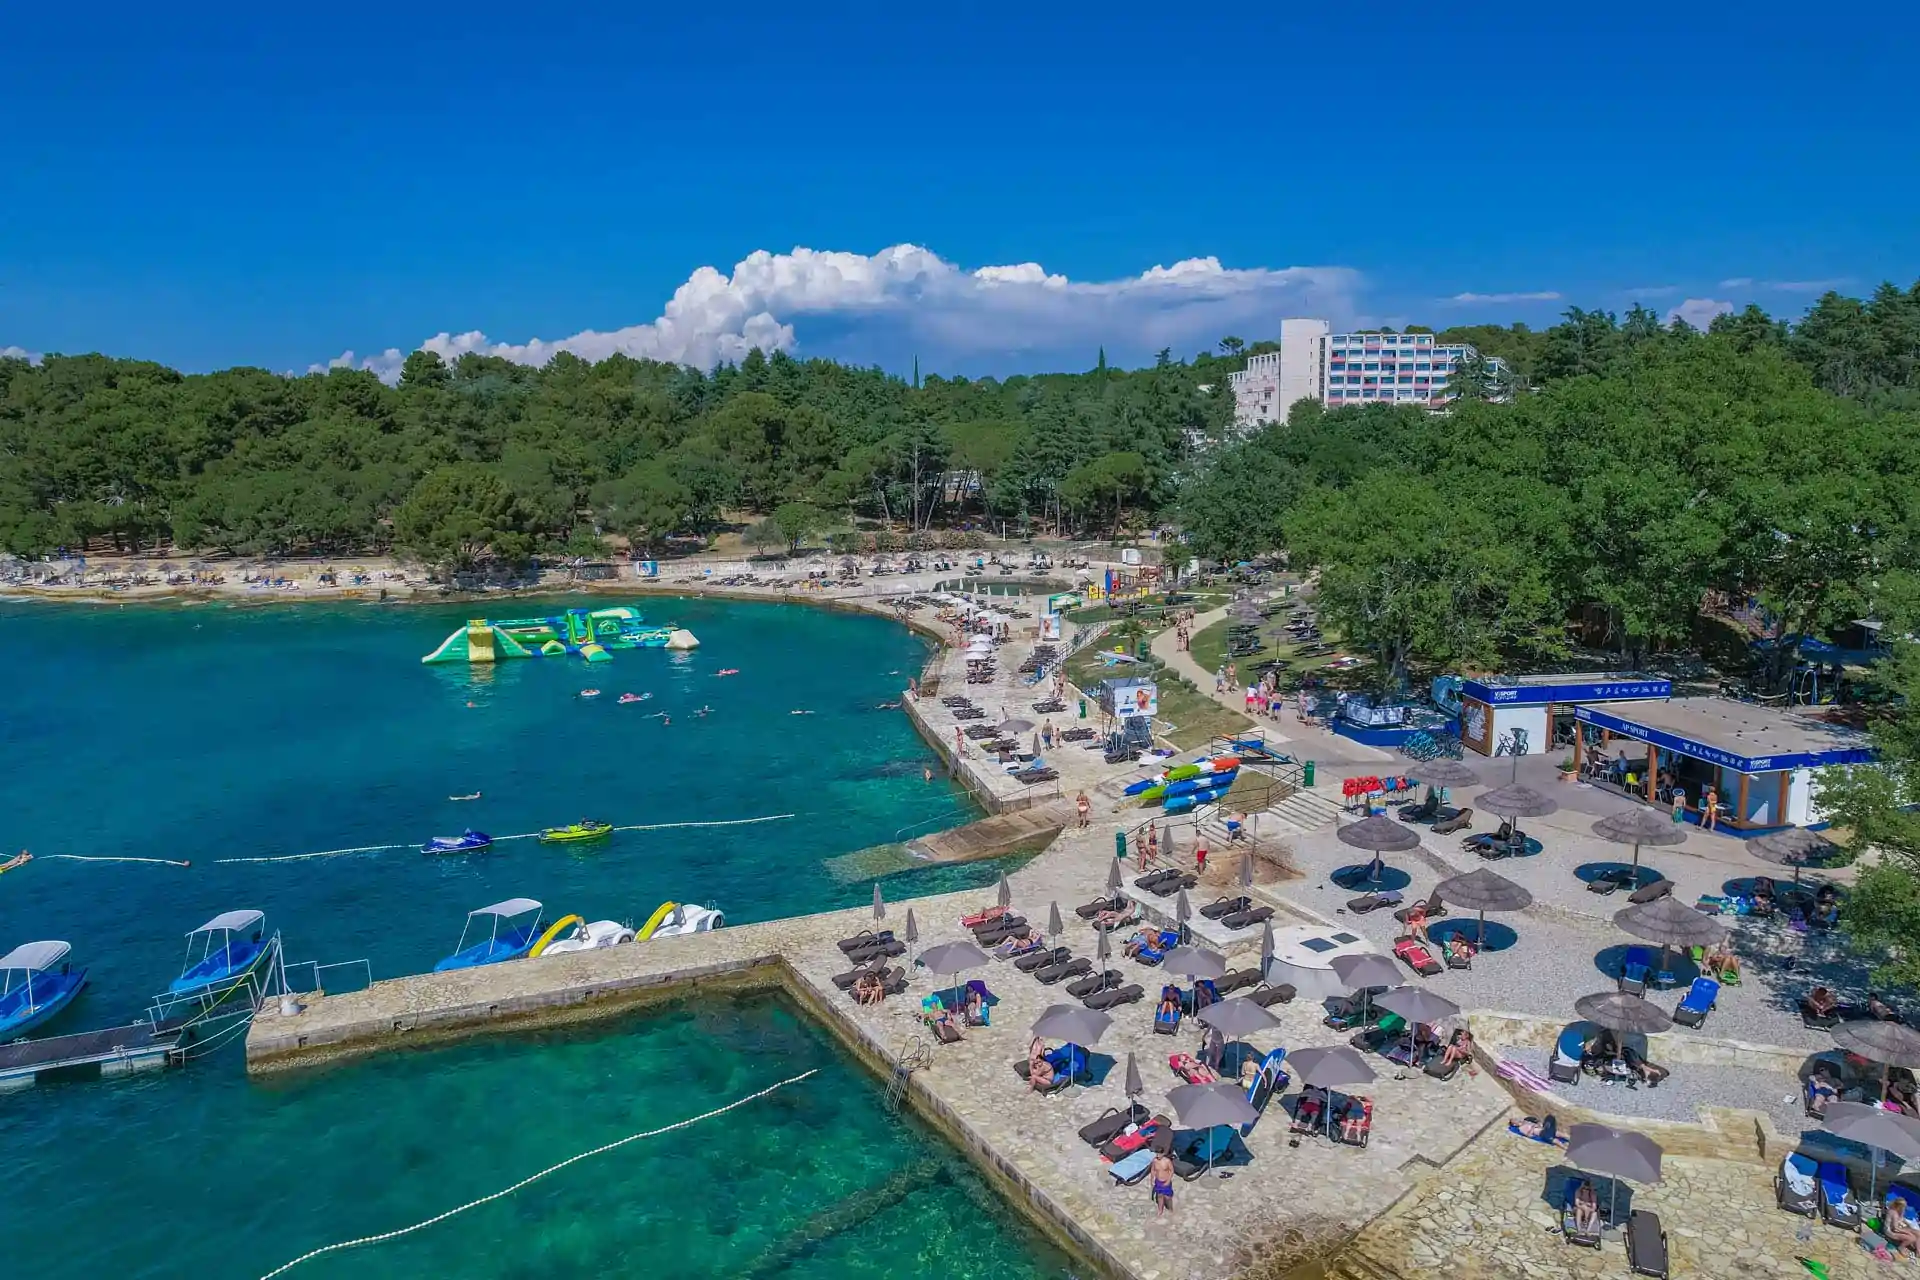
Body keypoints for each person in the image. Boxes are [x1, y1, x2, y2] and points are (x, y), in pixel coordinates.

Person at [1149, 1150, 1175, 1216]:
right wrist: (1152, 1179)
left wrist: (1168, 1180)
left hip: (1166, 1181)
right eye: (1157, 1154)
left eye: (1159, 1154)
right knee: (1159, 1196)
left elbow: (1171, 1170)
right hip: (1158, 1181)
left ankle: (1170, 1209)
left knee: (1167, 1197)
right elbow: (1153, 1170)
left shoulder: (1167, 1161)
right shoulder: (1155, 1160)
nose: (1158, 1155)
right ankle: (1160, 1210)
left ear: (1163, 1153)